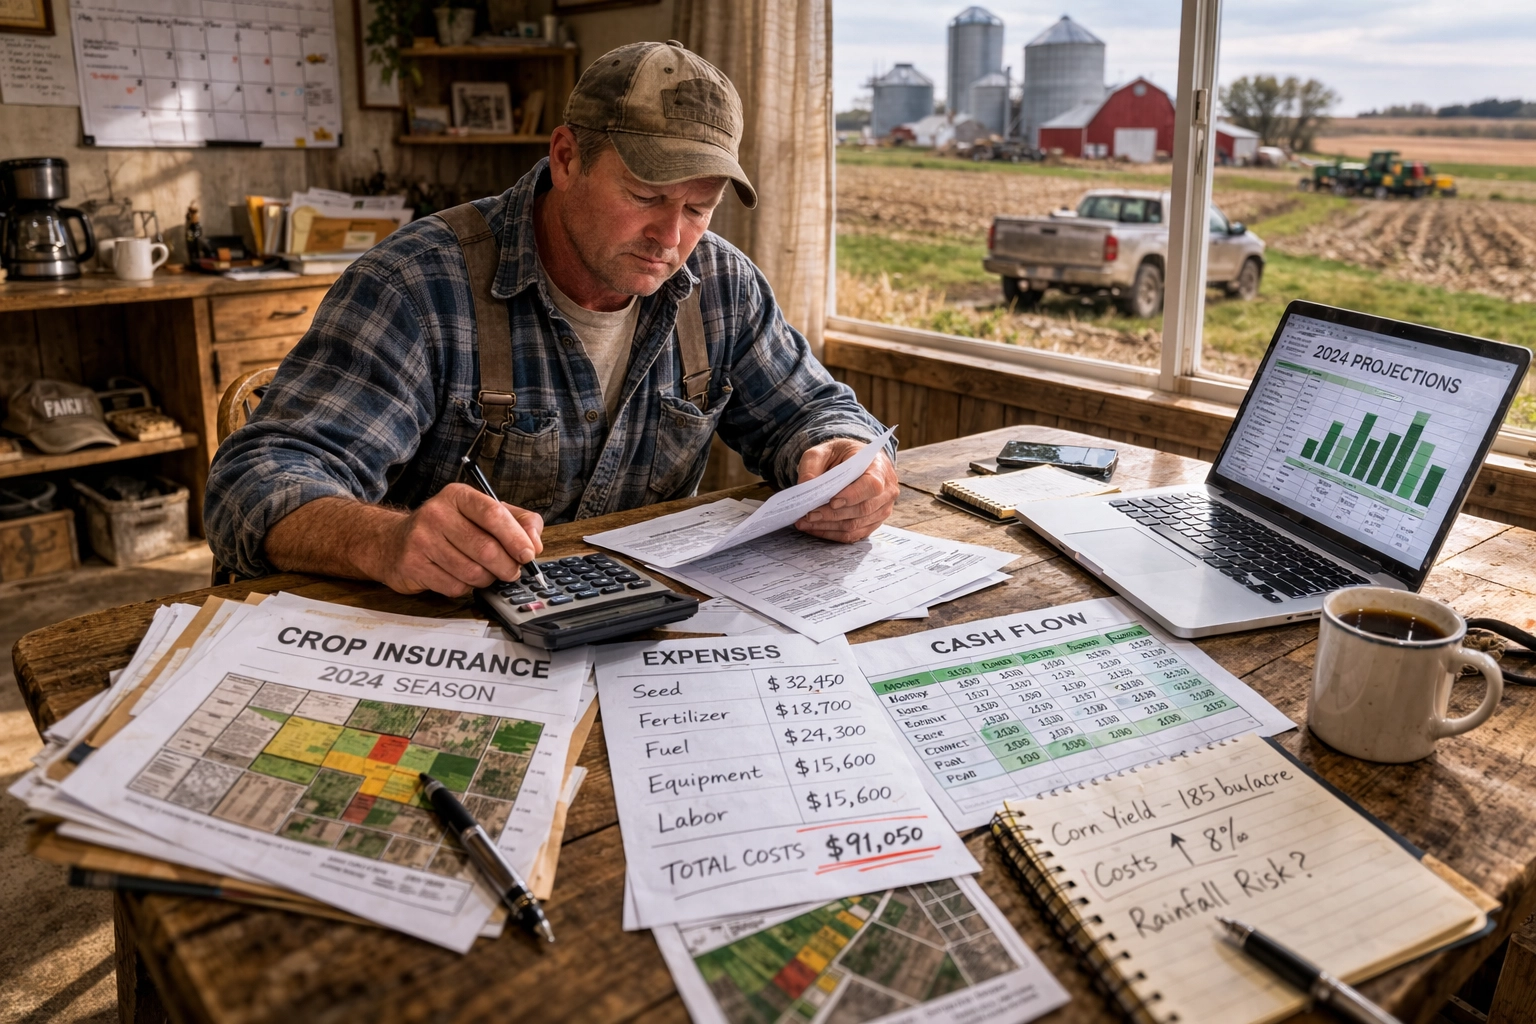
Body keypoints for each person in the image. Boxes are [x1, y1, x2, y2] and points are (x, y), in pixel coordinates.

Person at [206, 40, 898, 597]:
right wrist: (385, 540)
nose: (670, 237)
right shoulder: (418, 285)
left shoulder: (721, 287)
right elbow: (256, 482)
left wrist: (843, 458)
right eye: (645, 194)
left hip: (636, 640)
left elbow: (816, 412)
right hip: (438, 646)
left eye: (698, 207)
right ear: (566, 157)